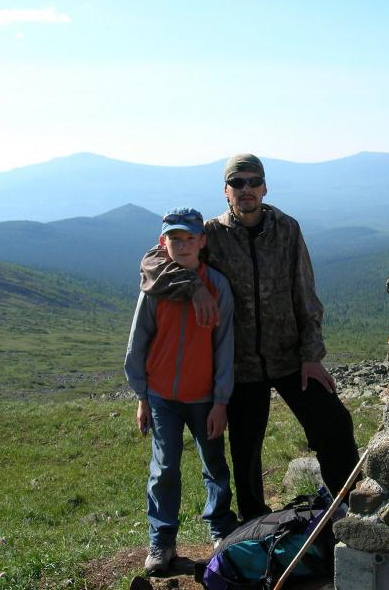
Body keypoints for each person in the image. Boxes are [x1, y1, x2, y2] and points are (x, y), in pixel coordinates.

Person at [139, 154, 359, 523]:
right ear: (226, 191)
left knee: (333, 423)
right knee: (245, 448)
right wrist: (195, 286)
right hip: (239, 364)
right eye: (237, 183)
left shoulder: (287, 228)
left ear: (265, 187)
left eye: (253, 181)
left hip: (290, 356)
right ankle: (256, 524)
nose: (246, 189)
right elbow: (153, 262)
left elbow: (305, 292)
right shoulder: (212, 234)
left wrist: (311, 355)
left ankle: (348, 506)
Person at [125, 207, 238, 574]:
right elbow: (138, 342)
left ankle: (220, 530)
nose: (183, 245)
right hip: (162, 397)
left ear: (203, 241)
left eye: (191, 238)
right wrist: (142, 397)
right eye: (175, 239)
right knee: (164, 468)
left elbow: (225, 347)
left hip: (204, 397)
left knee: (214, 465)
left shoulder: (217, 287)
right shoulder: (154, 289)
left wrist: (221, 401)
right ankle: (162, 540)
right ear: (163, 243)